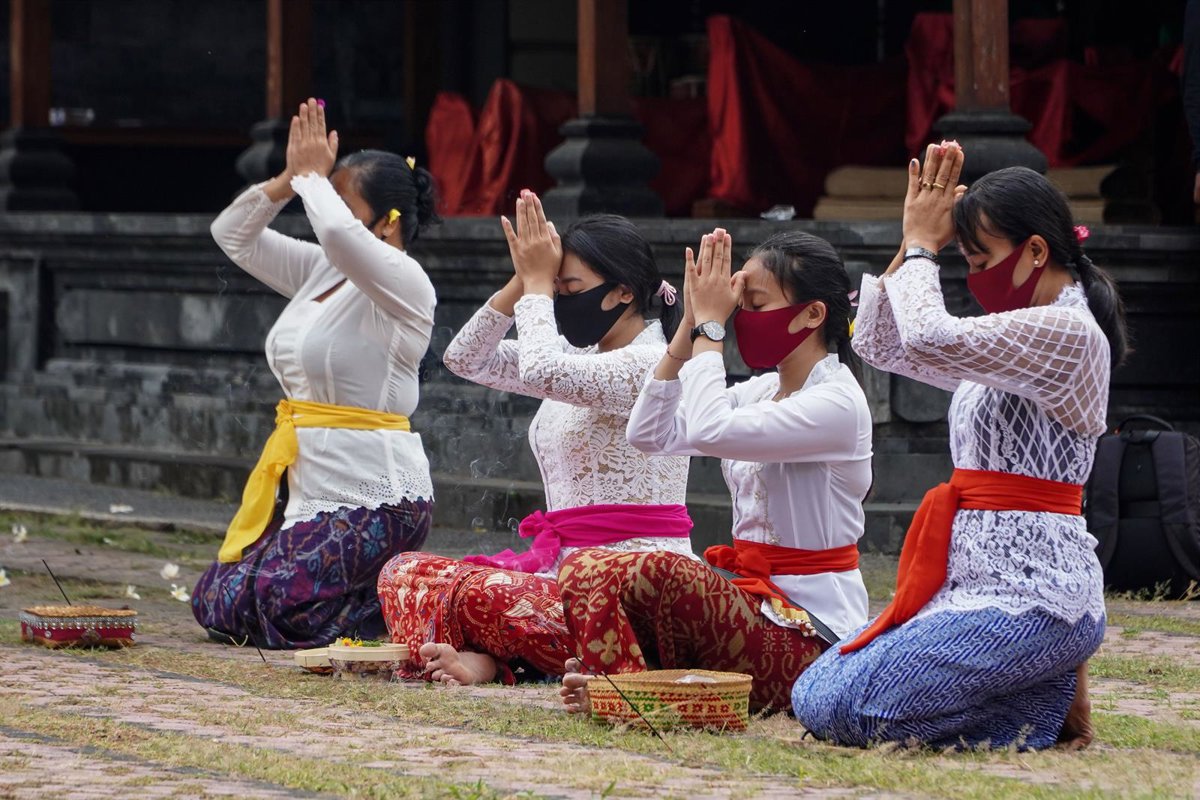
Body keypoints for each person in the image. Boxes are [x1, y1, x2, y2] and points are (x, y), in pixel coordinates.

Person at [792, 143, 1127, 750]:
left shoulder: (1070, 331)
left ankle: (1036, 705)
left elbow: (928, 333)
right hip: (965, 589)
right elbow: (879, 341)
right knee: (813, 690)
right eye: (965, 261)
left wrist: (926, 247)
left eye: (981, 260)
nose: (973, 277)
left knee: (847, 709)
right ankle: (1041, 693)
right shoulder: (1011, 339)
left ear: (1036, 251)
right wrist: (912, 239)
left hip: (1037, 598)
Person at [376, 190, 692, 685]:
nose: (559, 299)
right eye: (556, 287)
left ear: (623, 292)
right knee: (402, 573)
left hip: (627, 587)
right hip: (560, 574)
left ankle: (526, 657)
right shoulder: (578, 355)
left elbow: (542, 369)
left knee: (479, 592)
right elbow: (465, 358)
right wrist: (523, 279)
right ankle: (499, 659)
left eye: (570, 288)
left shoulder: (651, 364)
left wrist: (539, 287)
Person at [559, 227, 873, 714]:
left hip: (814, 636)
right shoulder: (761, 391)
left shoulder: (837, 403)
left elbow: (708, 429)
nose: (738, 317)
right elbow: (649, 434)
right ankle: (621, 685)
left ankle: (629, 692)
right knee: (584, 565)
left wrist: (710, 330)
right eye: (736, 305)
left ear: (813, 314)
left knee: (664, 569)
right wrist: (689, 327)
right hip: (751, 605)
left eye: (755, 304)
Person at [192, 98, 439, 649]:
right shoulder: (323, 270)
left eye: (341, 202)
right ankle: (379, 593)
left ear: (389, 221)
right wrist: (288, 179)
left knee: (277, 604)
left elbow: (339, 235)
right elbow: (231, 234)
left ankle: (401, 605)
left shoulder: (407, 283)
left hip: (381, 501)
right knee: (218, 600)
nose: (322, 208)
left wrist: (312, 179)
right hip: (308, 492)